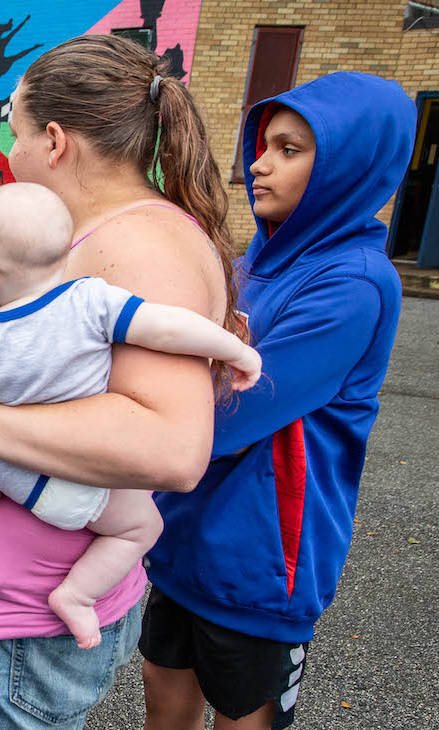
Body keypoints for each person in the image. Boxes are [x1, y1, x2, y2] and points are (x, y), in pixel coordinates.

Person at [0, 35, 243, 729]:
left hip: (9, 628)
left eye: (11, 131)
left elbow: (169, 445)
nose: (6, 154)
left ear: (53, 141)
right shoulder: (96, 236)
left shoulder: (136, 247)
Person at [140, 73, 416, 730]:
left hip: (262, 559)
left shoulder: (353, 284)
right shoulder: (257, 256)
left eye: (290, 149)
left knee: (244, 717)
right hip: (183, 531)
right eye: (264, 145)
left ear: (352, 163)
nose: (258, 164)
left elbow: (233, 414)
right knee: (163, 692)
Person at [0, 183, 261, 650]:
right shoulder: (93, 301)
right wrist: (234, 349)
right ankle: (78, 594)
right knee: (143, 527)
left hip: (8, 478)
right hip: (82, 488)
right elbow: (168, 328)